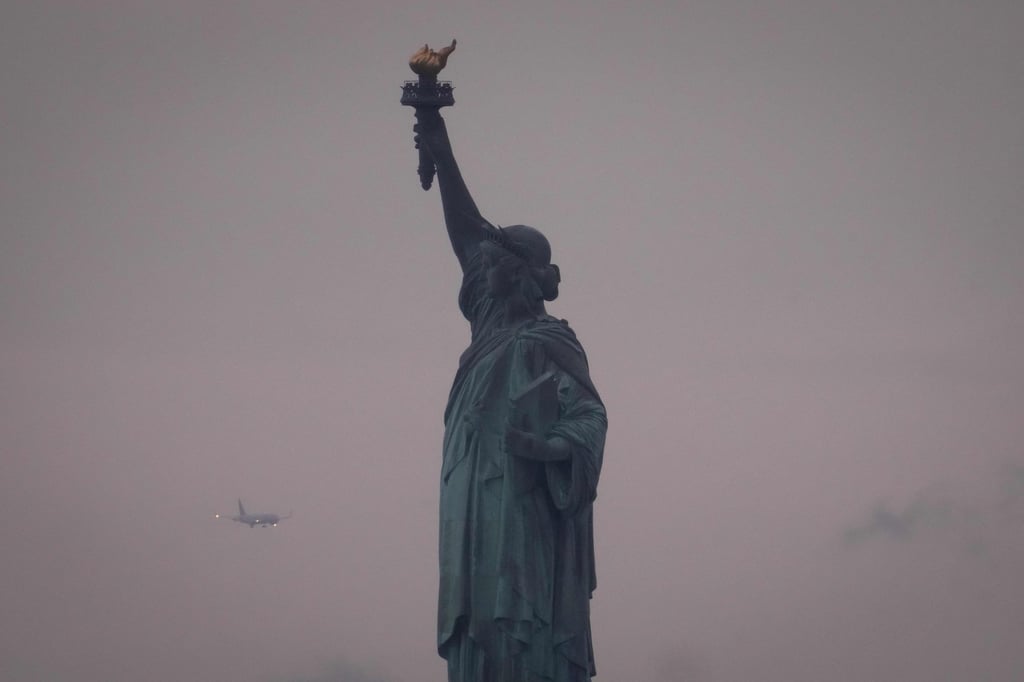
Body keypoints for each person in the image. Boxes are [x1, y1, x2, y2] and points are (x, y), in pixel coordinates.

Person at [415, 106, 608, 682]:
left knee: (516, 616)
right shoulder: (486, 331)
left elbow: (590, 415)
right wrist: (442, 152)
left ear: (520, 273)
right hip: (472, 494)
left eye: (493, 262)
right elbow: (464, 230)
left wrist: (546, 447)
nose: (480, 268)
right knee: (477, 611)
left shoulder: (548, 340)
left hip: (524, 500)